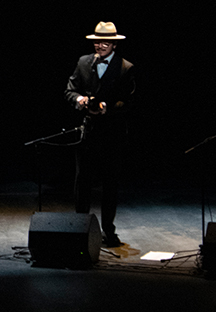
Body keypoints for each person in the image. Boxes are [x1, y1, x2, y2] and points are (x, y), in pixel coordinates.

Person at [63, 22, 136, 247]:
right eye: (97, 41)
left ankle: (109, 230)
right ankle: (80, 226)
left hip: (112, 134)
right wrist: (79, 100)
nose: (100, 45)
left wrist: (108, 107)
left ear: (114, 44)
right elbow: (69, 90)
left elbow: (129, 101)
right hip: (87, 132)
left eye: (105, 42)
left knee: (109, 183)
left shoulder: (125, 67)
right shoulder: (84, 62)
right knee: (82, 180)